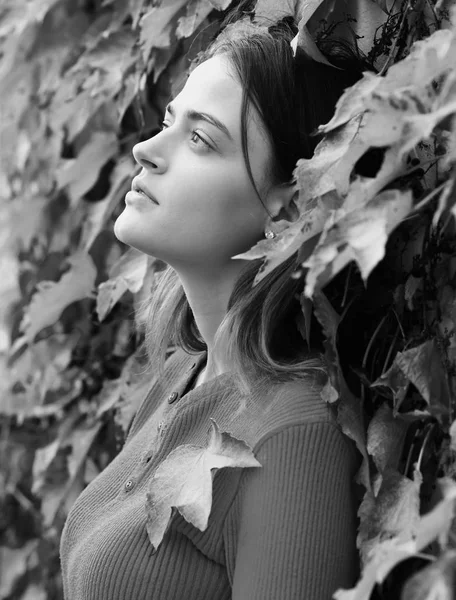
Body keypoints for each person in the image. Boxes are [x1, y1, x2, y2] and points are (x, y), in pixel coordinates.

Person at [60, 12, 365, 600]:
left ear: (287, 206)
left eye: (200, 139)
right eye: (170, 122)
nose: (146, 149)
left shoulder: (292, 433)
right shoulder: (183, 373)